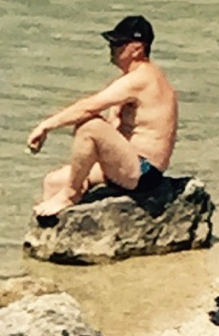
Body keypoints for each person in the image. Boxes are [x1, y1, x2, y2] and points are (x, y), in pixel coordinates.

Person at [26, 17, 180, 222]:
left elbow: (88, 107)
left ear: (137, 48)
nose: (111, 48)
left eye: (118, 44)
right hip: (125, 163)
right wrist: (83, 173)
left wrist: (45, 126)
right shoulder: (127, 81)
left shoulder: (143, 78)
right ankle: (49, 236)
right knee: (53, 181)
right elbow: (112, 130)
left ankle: (70, 196)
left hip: (143, 170)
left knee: (90, 126)